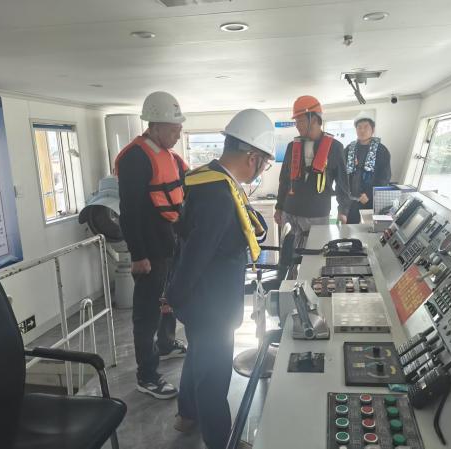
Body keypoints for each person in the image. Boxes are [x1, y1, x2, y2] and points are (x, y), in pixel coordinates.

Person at [168, 109, 274, 449]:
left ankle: (187, 415)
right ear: (253, 157)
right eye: (265, 164)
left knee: (197, 357)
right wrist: (173, 296)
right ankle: (220, 441)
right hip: (211, 304)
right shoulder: (219, 195)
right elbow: (196, 253)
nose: (262, 170)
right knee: (214, 375)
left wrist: (177, 295)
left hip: (201, 299)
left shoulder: (212, 179)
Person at [115, 91, 188, 400]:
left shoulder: (168, 155)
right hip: (150, 252)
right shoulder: (135, 157)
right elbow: (129, 210)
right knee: (147, 314)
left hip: (169, 245)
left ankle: (167, 344)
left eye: (180, 128)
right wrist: (138, 255)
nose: (178, 134)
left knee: (168, 301)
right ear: (155, 126)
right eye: (174, 128)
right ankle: (146, 375)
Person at [274, 95, 351, 246]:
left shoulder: (335, 147)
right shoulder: (292, 147)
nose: (297, 125)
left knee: (314, 255)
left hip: (316, 214)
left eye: (301, 121)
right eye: (296, 121)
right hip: (290, 213)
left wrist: (343, 210)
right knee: (288, 255)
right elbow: (284, 179)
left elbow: (342, 183)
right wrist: (279, 207)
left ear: (315, 119)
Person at [345, 110, 392, 224]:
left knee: (368, 229)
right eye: (359, 127)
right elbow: (342, 172)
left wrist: (369, 194)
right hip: (351, 200)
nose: (362, 130)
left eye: (366, 127)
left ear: (373, 129)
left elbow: (385, 177)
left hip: (370, 200)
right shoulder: (349, 149)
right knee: (350, 228)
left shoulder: (381, 150)